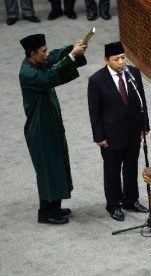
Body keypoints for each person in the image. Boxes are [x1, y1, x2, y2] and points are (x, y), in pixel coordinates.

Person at [19, 34, 87, 224]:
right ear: (32, 54)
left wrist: (72, 48)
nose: (47, 54)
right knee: (48, 170)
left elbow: (55, 57)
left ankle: (54, 207)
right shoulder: (28, 73)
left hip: (49, 125)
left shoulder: (37, 63)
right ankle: (45, 212)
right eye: (43, 51)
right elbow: (49, 78)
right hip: (40, 130)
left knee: (56, 165)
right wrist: (72, 57)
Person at [87, 42, 150, 221]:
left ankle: (131, 200)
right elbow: (94, 112)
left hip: (132, 131)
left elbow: (141, 101)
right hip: (111, 135)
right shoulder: (97, 80)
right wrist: (99, 136)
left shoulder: (133, 73)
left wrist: (144, 125)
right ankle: (114, 205)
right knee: (112, 171)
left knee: (131, 168)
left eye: (123, 57)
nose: (122, 62)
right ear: (106, 60)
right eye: (117, 59)